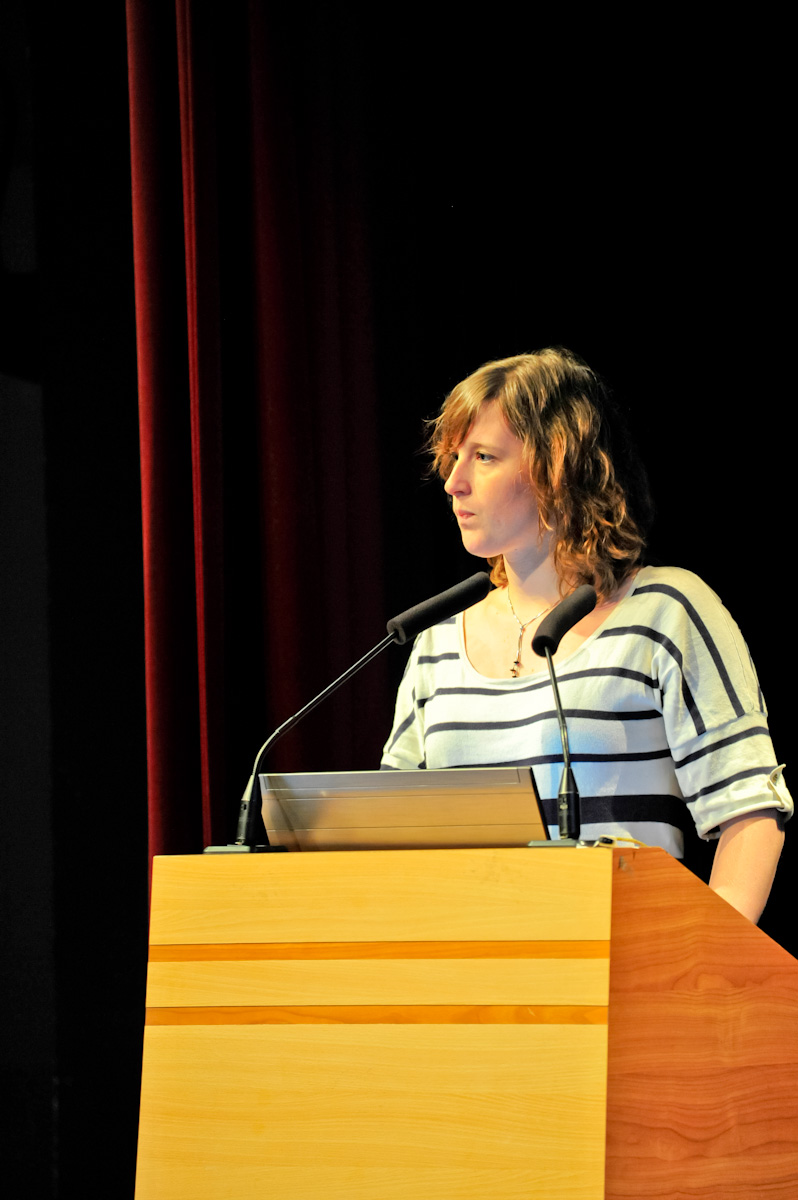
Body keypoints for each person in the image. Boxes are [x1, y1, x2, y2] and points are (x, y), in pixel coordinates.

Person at [381, 347, 791, 923]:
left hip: (625, 963)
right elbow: (391, 840)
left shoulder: (664, 611)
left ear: (556, 464)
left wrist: (702, 962)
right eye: (453, 458)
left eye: (484, 457)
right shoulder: (436, 646)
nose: (454, 483)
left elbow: (748, 809)